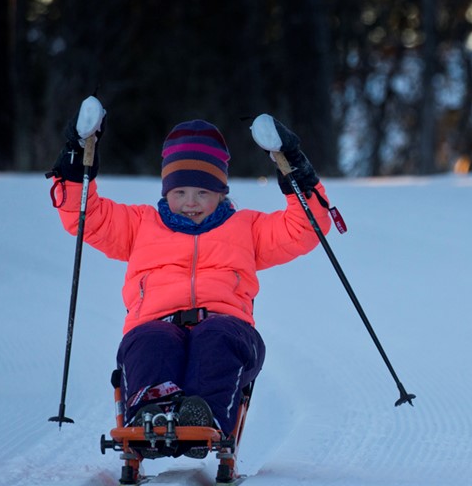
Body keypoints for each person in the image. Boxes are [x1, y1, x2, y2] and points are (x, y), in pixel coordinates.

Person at [47, 103, 330, 455]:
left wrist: (294, 165)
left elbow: (305, 228)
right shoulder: (139, 225)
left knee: (216, 338)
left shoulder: (246, 229)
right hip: (155, 324)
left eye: (203, 193)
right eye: (180, 192)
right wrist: (76, 157)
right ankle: (153, 413)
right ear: (166, 191)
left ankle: (202, 417)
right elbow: (83, 216)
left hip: (228, 328)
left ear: (221, 192)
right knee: (150, 339)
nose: (190, 203)